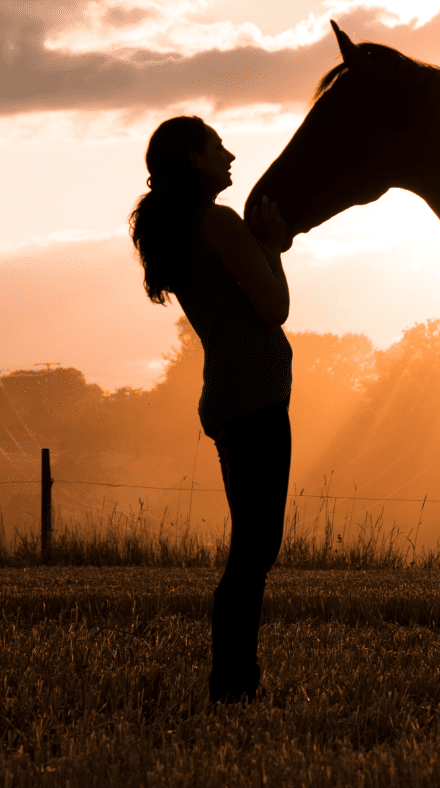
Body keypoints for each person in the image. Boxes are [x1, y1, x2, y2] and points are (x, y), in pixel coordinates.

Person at [129, 115, 292, 704]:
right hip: (255, 399)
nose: (229, 155)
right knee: (256, 547)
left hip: (230, 393)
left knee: (252, 544)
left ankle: (235, 679)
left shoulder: (187, 226)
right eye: (217, 146)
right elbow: (273, 308)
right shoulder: (219, 224)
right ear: (195, 159)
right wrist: (272, 246)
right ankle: (233, 682)